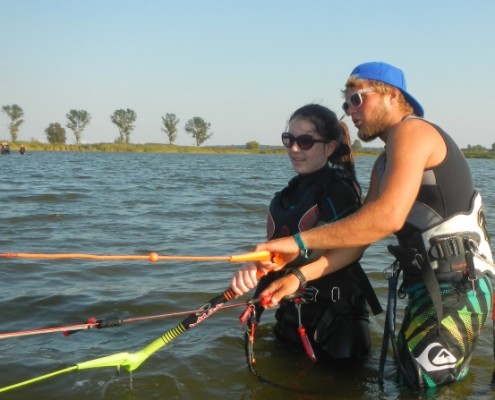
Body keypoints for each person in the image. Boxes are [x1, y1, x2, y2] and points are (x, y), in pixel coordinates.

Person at [247, 62, 495, 389]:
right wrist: (298, 276)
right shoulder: (383, 163)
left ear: (392, 95)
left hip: (459, 284)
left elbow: (385, 218)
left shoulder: (413, 131)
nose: (350, 112)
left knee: (424, 386)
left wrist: (296, 242)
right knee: (409, 380)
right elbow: (357, 240)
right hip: (429, 286)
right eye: (346, 104)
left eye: (357, 99)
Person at [230, 104, 381, 362]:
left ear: (330, 146)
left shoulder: (340, 190)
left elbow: (319, 248)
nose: (294, 149)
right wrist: (256, 293)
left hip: (337, 323)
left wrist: (263, 266)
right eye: (288, 139)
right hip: (291, 314)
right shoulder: (286, 196)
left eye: (305, 141)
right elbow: (276, 256)